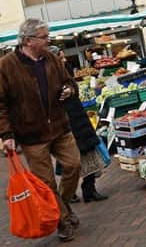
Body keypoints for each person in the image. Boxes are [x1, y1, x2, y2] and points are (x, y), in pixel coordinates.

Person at [0, 19, 81, 242]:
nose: (49, 40)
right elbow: (1, 104)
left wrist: (69, 90)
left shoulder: (52, 58)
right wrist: (6, 135)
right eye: (44, 37)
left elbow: (69, 82)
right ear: (28, 40)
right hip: (32, 134)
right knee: (46, 182)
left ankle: (62, 206)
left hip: (59, 126)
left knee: (74, 166)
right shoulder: (6, 65)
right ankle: (63, 222)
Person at [50, 46, 108, 205]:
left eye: (63, 57)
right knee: (70, 161)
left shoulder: (65, 71)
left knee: (88, 155)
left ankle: (89, 189)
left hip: (78, 118)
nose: (64, 60)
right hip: (65, 122)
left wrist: (71, 90)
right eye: (60, 58)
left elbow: (73, 86)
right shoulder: (48, 77)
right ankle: (72, 192)